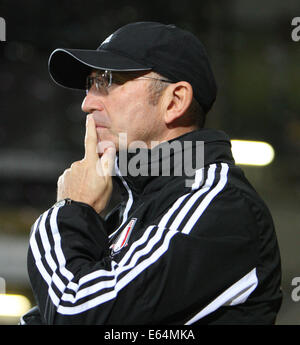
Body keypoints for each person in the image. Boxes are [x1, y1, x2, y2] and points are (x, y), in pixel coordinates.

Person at [21, 21, 282, 325]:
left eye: (106, 80)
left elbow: (73, 311)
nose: (86, 103)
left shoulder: (218, 202)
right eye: (90, 83)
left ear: (175, 101)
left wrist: (69, 209)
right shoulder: (133, 208)